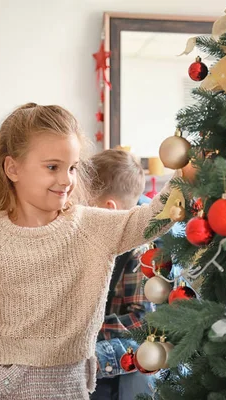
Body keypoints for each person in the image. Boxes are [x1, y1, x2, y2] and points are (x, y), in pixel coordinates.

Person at [0, 103, 178, 399]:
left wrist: (187, 176)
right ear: (12, 168)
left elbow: (152, 218)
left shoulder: (91, 227)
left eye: (72, 168)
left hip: (68, 385)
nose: (66, 179)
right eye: (52, 167)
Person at [88, 149, 155, 400]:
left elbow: (143, 326)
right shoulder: (97, 239)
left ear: (108, 209)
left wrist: (83, 332)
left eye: (83, 204)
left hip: (115, 377)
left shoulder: (143, 255)